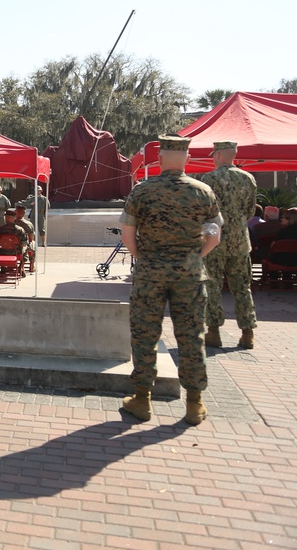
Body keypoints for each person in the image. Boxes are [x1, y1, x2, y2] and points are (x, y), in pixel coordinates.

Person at [119, 135, 222, 426]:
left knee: (144, 334)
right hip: (189, 273)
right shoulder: (204, 192)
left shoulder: (142, 191)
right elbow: (214, 235)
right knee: (191, 336)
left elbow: (127, 234)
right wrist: (195, 256)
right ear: (187, 159)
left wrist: (144, 256)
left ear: (160, 159)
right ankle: (194, 404)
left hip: (151, 270)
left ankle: (142, 399)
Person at [200, 141, 259, 350]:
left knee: (213, 286)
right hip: (240, 242)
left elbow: (204, 211)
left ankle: (214, 332)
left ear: (217, 155)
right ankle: (247, 333)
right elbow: (251, 211)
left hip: (214, 240)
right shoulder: (248, 178)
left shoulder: (209, 179)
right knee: (242, 287)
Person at [14, 204, 37, 273]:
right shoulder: (28, 224)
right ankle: (32, 265)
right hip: (23, 246)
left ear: (16, 212)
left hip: (11, 246)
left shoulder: (11, 223)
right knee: (33, 243)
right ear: (24, 214)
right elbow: (31, 238)